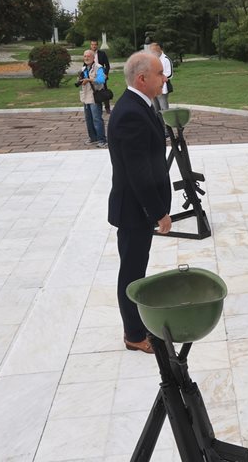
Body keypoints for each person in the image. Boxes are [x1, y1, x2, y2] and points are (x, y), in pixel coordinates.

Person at [107, 51, 172, 354]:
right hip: (134, 210)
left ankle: (136, 326)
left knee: (135, 267)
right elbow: (138, 173)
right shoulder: (131, 112)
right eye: (160, 74)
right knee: (131, 272)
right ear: (142, 78)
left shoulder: (139, 105)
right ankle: (133, 335)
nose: (165, 78)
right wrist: (159, 212)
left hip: (136, 208)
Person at [78, 49, 107, 147]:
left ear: (93, 57)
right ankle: (93, 138)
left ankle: (102, 140)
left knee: (97, 119)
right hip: (85, 97)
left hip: (95, 97)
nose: (86, 58)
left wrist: (89, 79)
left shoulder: (98, 67)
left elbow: (101, 79)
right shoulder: (83, 68)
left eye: (88, 56)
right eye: (85, 56)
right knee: (88, 119)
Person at [149, 40, 173, 112]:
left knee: (164, 108)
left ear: (158, 51)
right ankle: (158, 122)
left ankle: (166, 123)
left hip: (163, 87)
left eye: (153, 52)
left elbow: (170, 74)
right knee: (155, 108)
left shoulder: (166, 59)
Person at [90, 39, 111, 114]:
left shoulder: (102, 54)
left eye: (95, 44)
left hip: (101, 75)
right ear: (90, 45)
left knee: (104, 91)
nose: (94, 46)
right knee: (93, 91)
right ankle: (96, 107)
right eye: (92, 45)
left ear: (97, 45)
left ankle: (107, 108)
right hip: (91, 75)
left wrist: (106, 74)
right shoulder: (88, 54)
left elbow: (107, 65)